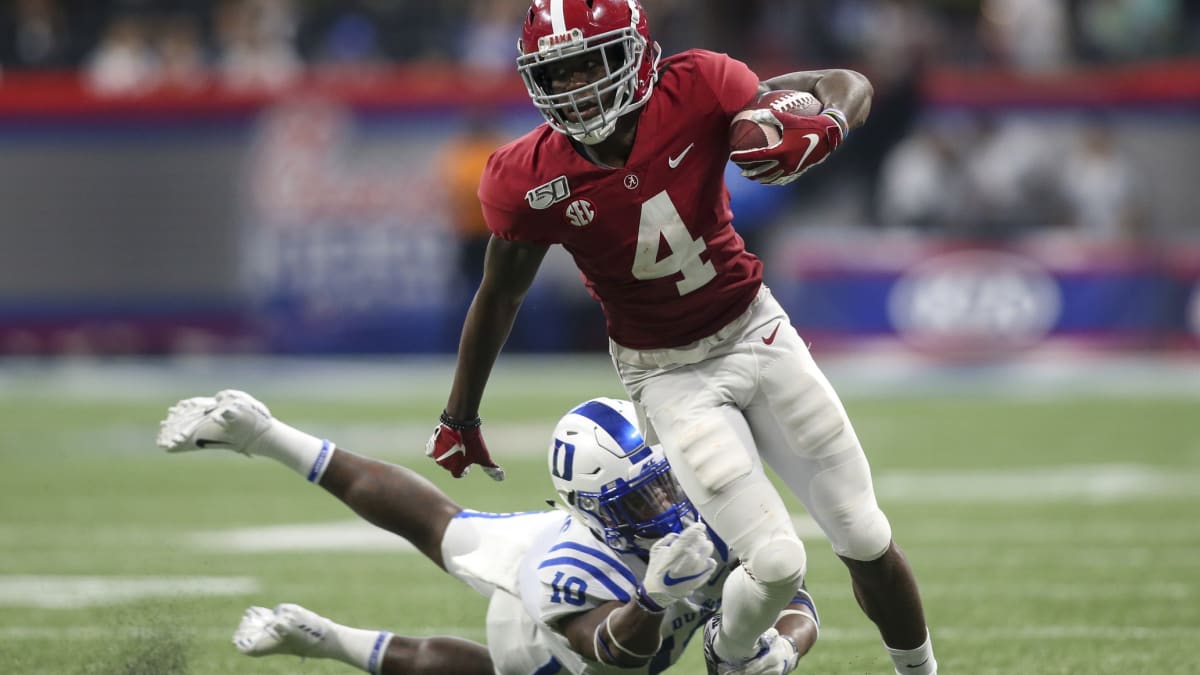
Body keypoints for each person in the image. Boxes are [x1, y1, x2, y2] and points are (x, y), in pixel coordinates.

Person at [423, 1, 938, 673]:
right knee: (777, 562)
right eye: (558, 73)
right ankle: (729, 654)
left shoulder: (698, 84)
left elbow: (850, 83)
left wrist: (829, 122)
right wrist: (459, 412)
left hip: (757, 329)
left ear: (635, 54)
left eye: (590, 65)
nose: (576, 87)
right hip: (668, 374)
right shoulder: (528, 177)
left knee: (866, 534)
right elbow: (500, 294)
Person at [156, 390, 819, 674]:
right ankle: (330, 640)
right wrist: (651, 597)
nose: (667, 503)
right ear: (597, 511)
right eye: (639, 496)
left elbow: (797, 597)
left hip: (598, 568)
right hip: (560, 623)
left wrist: (784, 648)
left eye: (664, 480)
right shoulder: (563, 570)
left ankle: (262, 432)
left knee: (442, 523)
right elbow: (609, 655)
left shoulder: (702, 499)